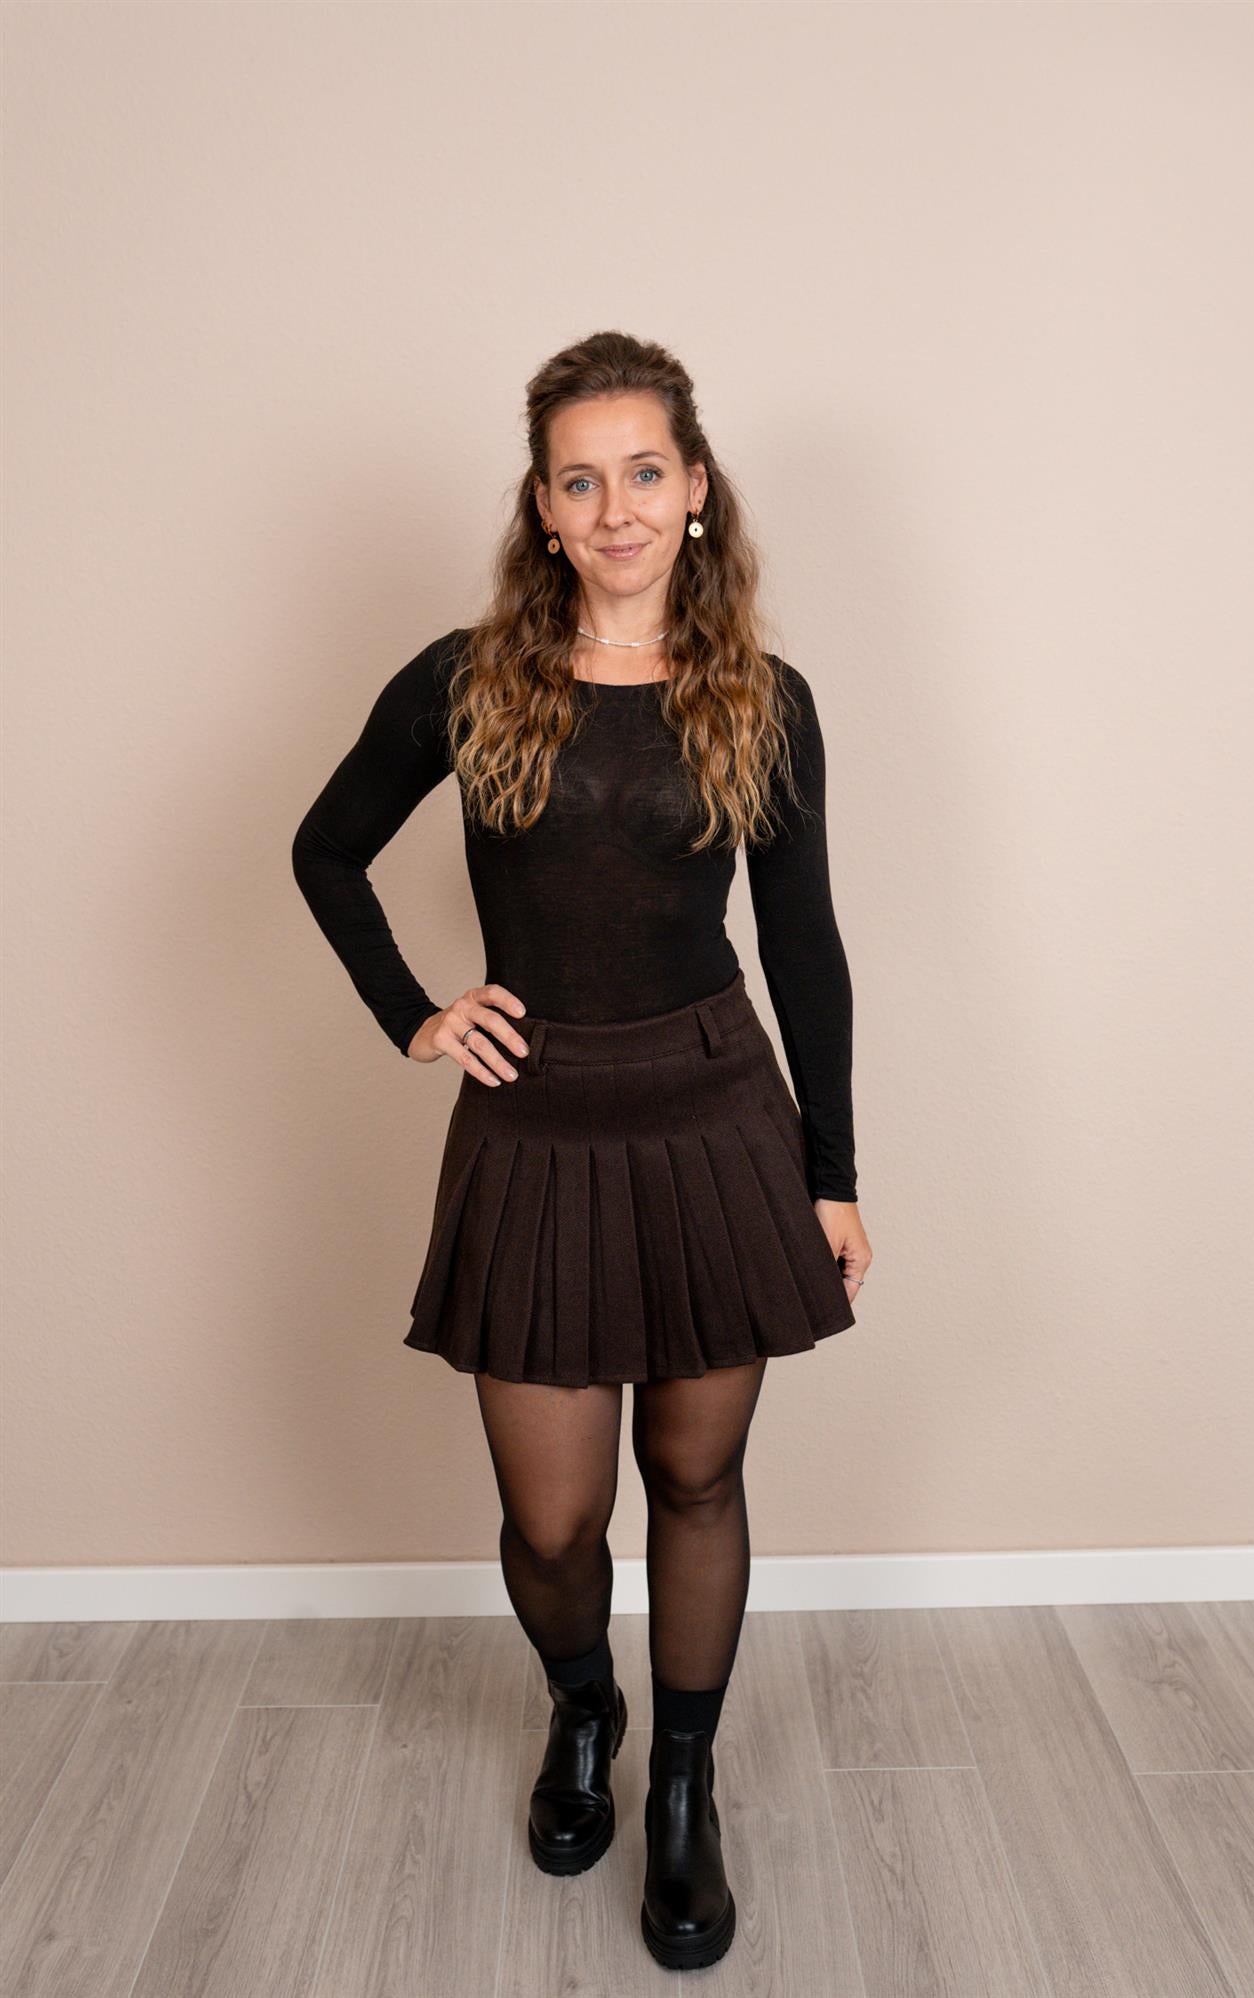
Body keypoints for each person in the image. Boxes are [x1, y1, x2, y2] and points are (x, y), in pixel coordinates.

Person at [291, 329, 873, 1971]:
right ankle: (584, 1706)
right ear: (543, 508)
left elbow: (805, 945)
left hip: (714, 1118)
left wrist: (833, 1170)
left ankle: (682, 1786)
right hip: (536, 1122)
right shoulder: (469, 679)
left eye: (644, 471)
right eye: (580, 479)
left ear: (695, 491)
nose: (615, 506)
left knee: (696, 1475)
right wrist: (416, 1013)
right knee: (553, 1525)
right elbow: (325, 848)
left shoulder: (764, 698)